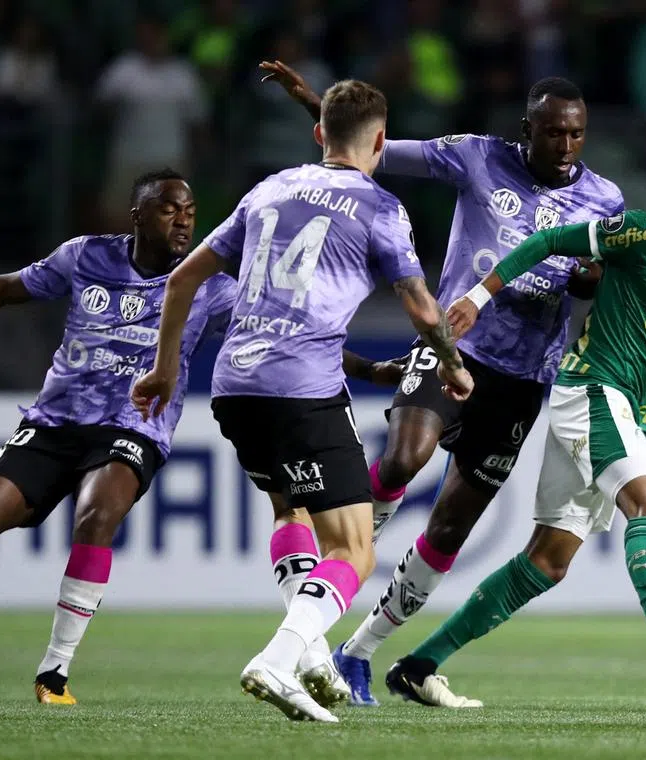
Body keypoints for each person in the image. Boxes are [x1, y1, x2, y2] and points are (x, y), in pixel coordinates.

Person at [260, 60, 624, 706]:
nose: (565, 147)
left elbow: (593, 287)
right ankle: (319, 602)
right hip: (451, 345)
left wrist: (590, 282)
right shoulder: (477, 158)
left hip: (524, 376)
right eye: (553, 134)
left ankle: (359, 651)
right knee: (403, 458)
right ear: (527, 130)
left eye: (576, 135)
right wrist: (313, 105)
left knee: (451, 528)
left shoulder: (605, 200)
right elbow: (372, 150)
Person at [130, 80, 473, 723]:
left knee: (291, 509)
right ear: (379, 141)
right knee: (354, 547)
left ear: (319, 135)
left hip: (234, 385)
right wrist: (452, 365)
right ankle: (279, 658)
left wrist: (165, 369)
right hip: (302, 387)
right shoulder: (380, 206)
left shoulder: (268, 189)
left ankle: (310, 651)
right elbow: (423, 308)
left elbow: (182, 278)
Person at [385, 146, 646, 707]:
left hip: (628, 405)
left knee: (548, 560)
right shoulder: (644, 234)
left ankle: (418, 666)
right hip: (592, 390)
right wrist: (481, 295)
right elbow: (548, 242)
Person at [0, 170, 235, 704]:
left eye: (190, 211)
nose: (183, 221)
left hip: (133, 426)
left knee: (97, 514)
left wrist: (354, 364)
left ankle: (54, 671)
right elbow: (5, 288)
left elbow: (275, 324)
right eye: (169, 209)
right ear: (137, 215)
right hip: (53, 423)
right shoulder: (86, 257)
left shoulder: (210, 284)